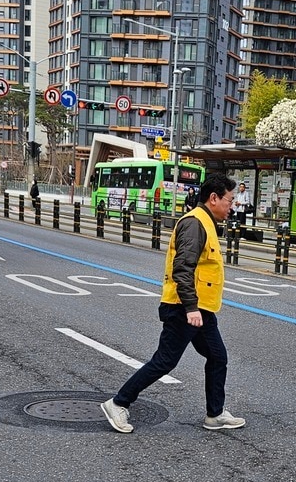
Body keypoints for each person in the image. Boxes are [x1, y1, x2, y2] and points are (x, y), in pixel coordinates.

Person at [102, 173, 246, 434]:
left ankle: (215, 414)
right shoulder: (194, 224)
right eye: (229, 199)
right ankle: (118, 402)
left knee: (217, 357)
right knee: (165, 360)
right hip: (185, 307)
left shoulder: (206, 222)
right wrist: (191, 308)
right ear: (213, 198)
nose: (231, 205)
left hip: (201, 309)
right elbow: (182, 268)